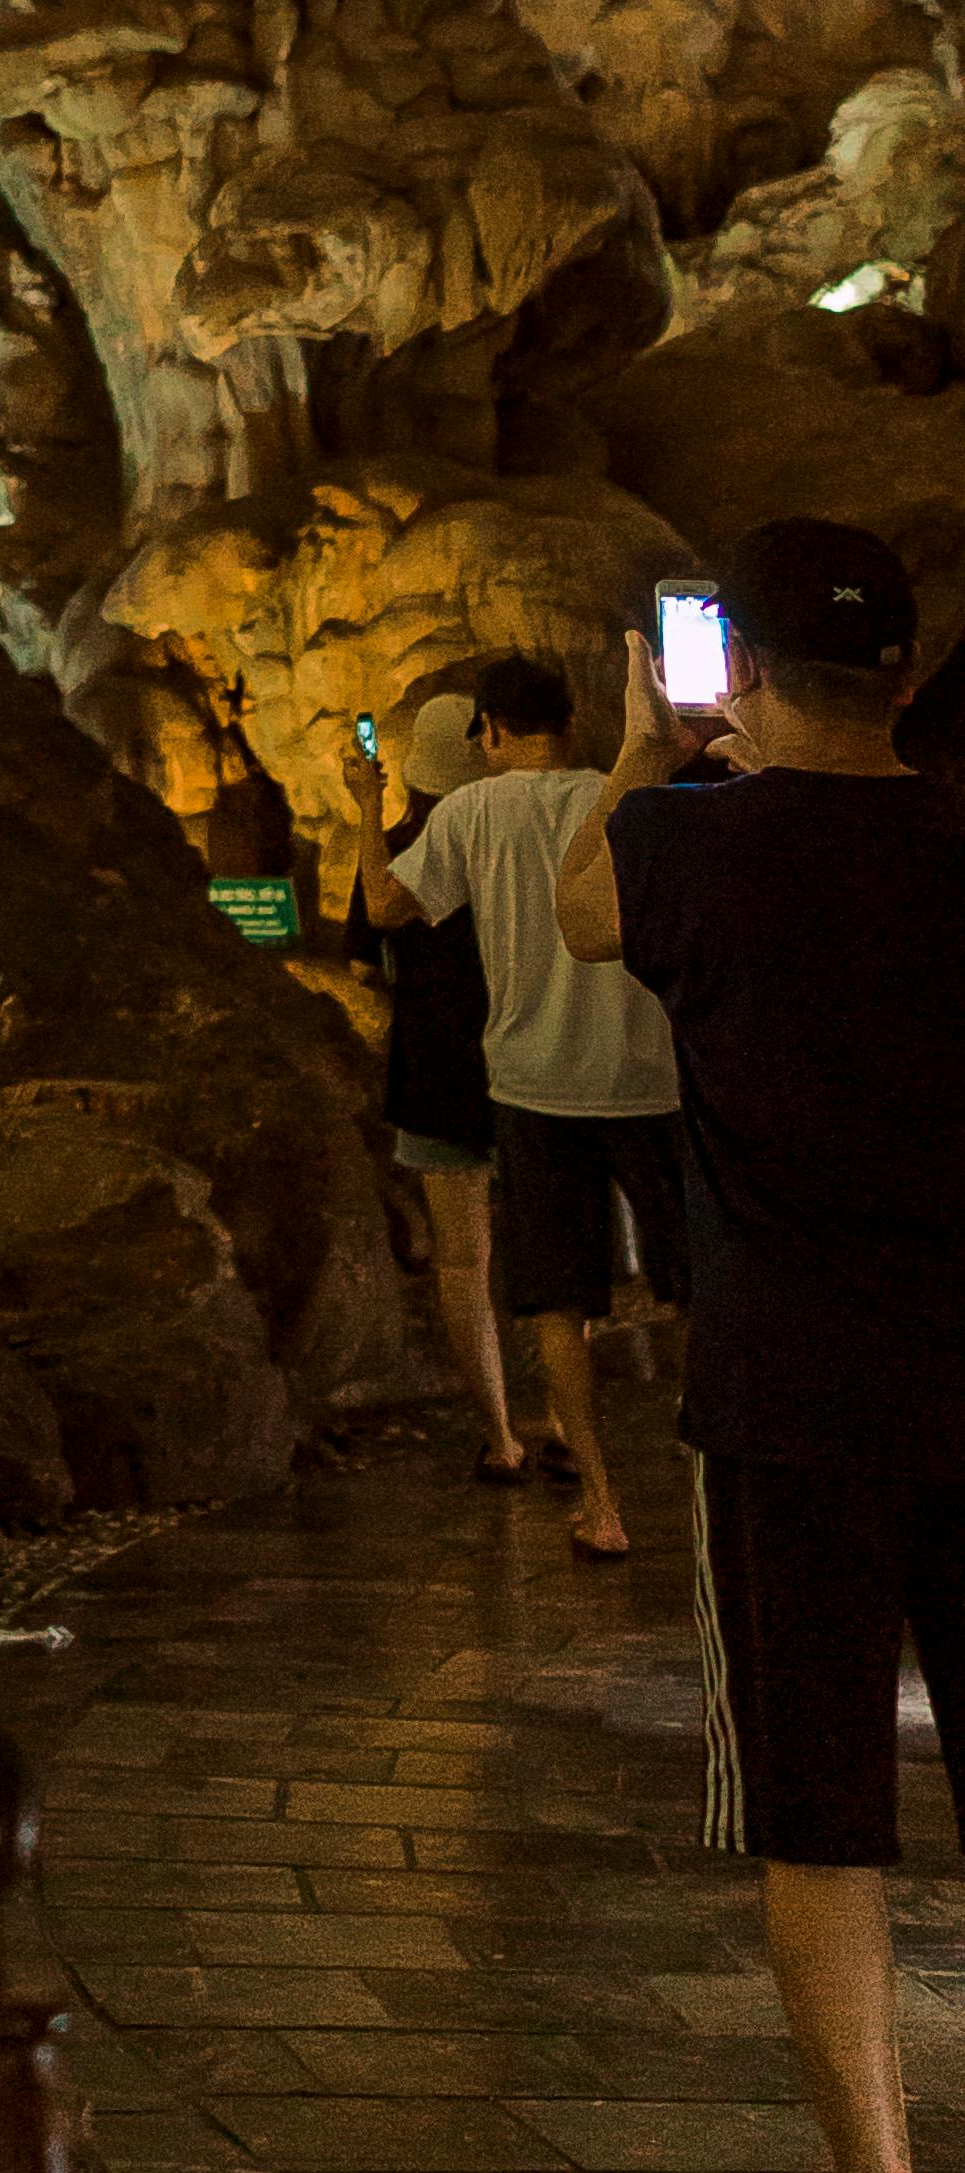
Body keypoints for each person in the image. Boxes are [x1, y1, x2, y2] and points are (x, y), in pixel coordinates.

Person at [557, 514, 965, 2173]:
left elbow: (577, 914)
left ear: (744, 665)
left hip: (797, 1400)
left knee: (822, 1814)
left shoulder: (678, 848)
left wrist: (650, 745)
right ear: (900, 669)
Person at [350, 644, 682, 1559]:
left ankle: (603, 1503)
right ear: (569, 722)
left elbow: (384, 908)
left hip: (535, 1088)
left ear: (488, 732)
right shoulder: (627, 798)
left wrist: (362, 807)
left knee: (553, 1304)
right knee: (693, 1286)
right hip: (650, 1080)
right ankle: (715, 1485)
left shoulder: (467, 811)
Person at [347, 684, 525, 1484]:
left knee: (464, 1264)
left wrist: (365, 808)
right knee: (542, 1255)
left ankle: (501, 1435)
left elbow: (370, 951)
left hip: (434, 1076)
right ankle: (559, 1416)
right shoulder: (517, 840)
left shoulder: (396, 849)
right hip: (527, 1070)